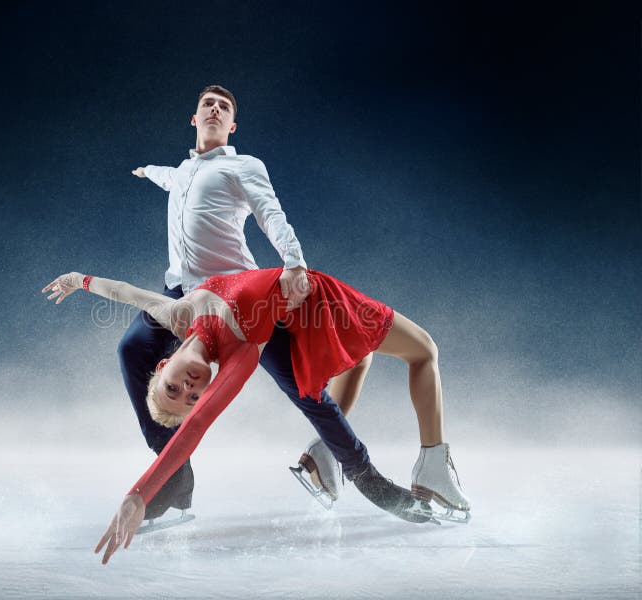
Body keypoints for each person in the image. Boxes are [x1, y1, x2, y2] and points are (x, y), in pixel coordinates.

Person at [41, 266, 471, 565]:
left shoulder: (176, 314)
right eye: (192, 396)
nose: (190, 387)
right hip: (321, 301)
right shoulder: (240, 356)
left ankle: (324, 457)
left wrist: (79, 281)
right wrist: (139, 494)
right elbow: (191, 433)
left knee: (359, 360)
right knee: (425, 350)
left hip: (303, 304)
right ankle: (430, 467)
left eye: (174, 387)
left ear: (160, 367)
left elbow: (124, 292)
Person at [118, 84, 379, 517]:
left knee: (302, 387)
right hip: (182, 292)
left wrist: (294, 262)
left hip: (238, 300)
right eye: (208, 105)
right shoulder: (182, 172)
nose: (215, 110)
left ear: (231, 125)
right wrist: (148, 171)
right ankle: (173, 475)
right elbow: (170, 176)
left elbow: (270, 213)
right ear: (195, 118)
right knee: (132, 348)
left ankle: (363, 471)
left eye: (224, 108)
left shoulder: (242, 166)